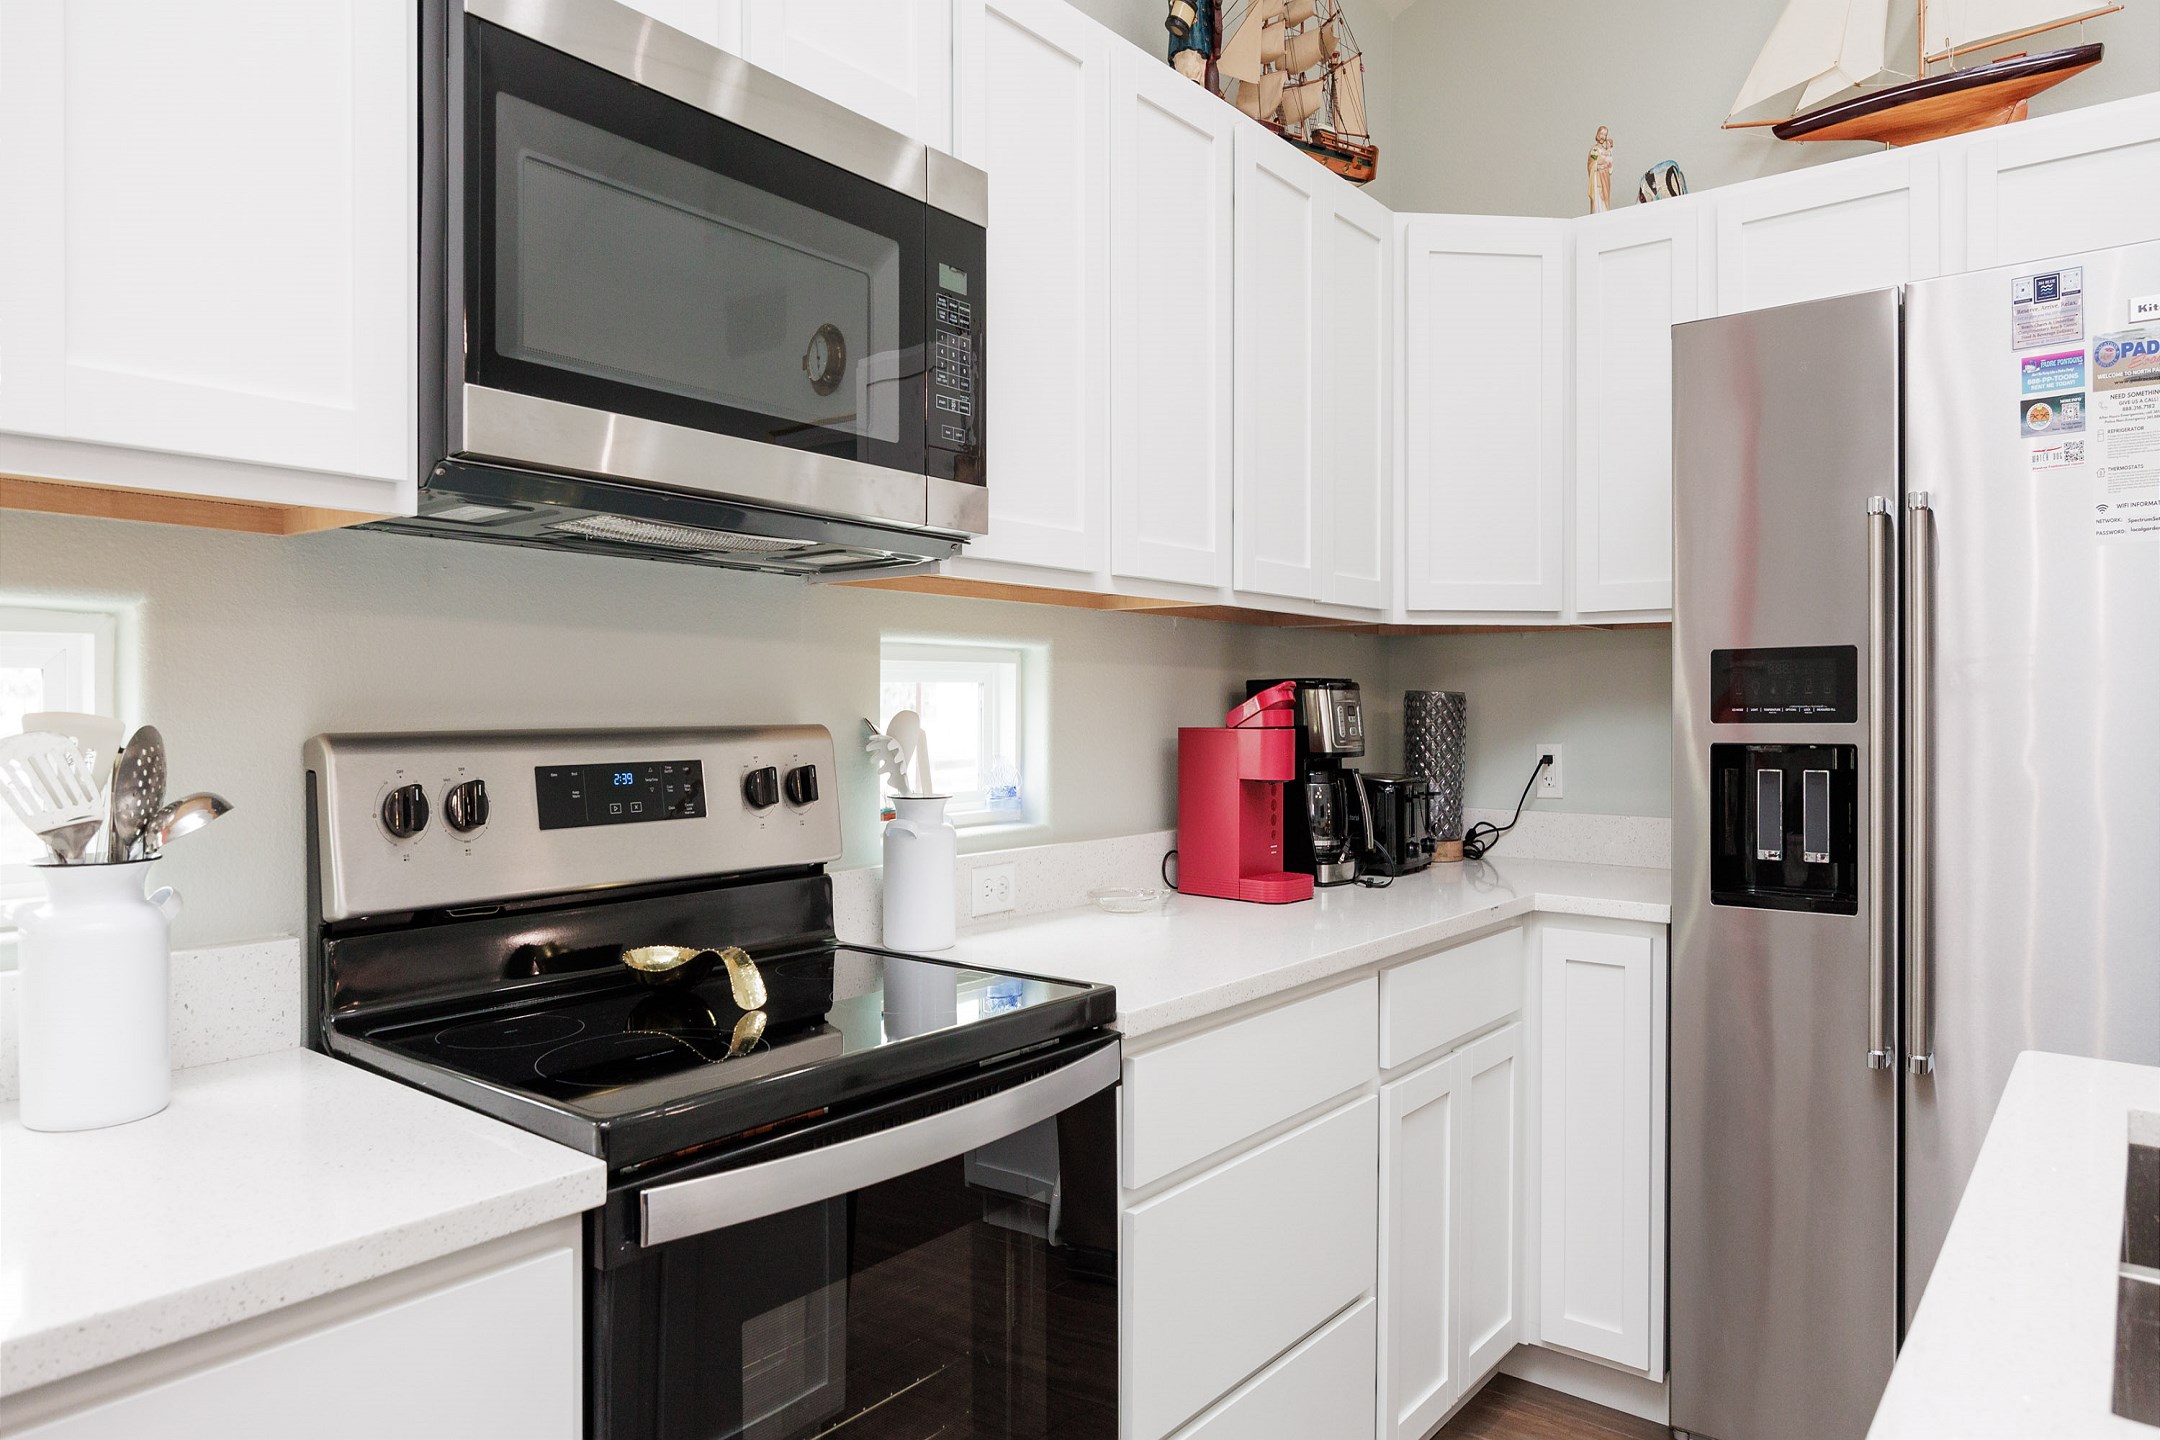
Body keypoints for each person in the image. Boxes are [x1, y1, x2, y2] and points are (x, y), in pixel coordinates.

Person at [1588, 125, 1615, 213]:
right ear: (1597, 134)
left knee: (1605, 197)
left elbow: (1610, 166)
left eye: (1605, 134)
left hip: (1605, 178)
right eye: (1601, 134)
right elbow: (1591, 164)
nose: (1602, 136)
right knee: (1598, 198)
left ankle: (1604, 211)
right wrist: (1598, 165)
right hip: (1597, 179)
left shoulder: (1606, 151)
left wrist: (1608, 164)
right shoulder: (1594, 150)